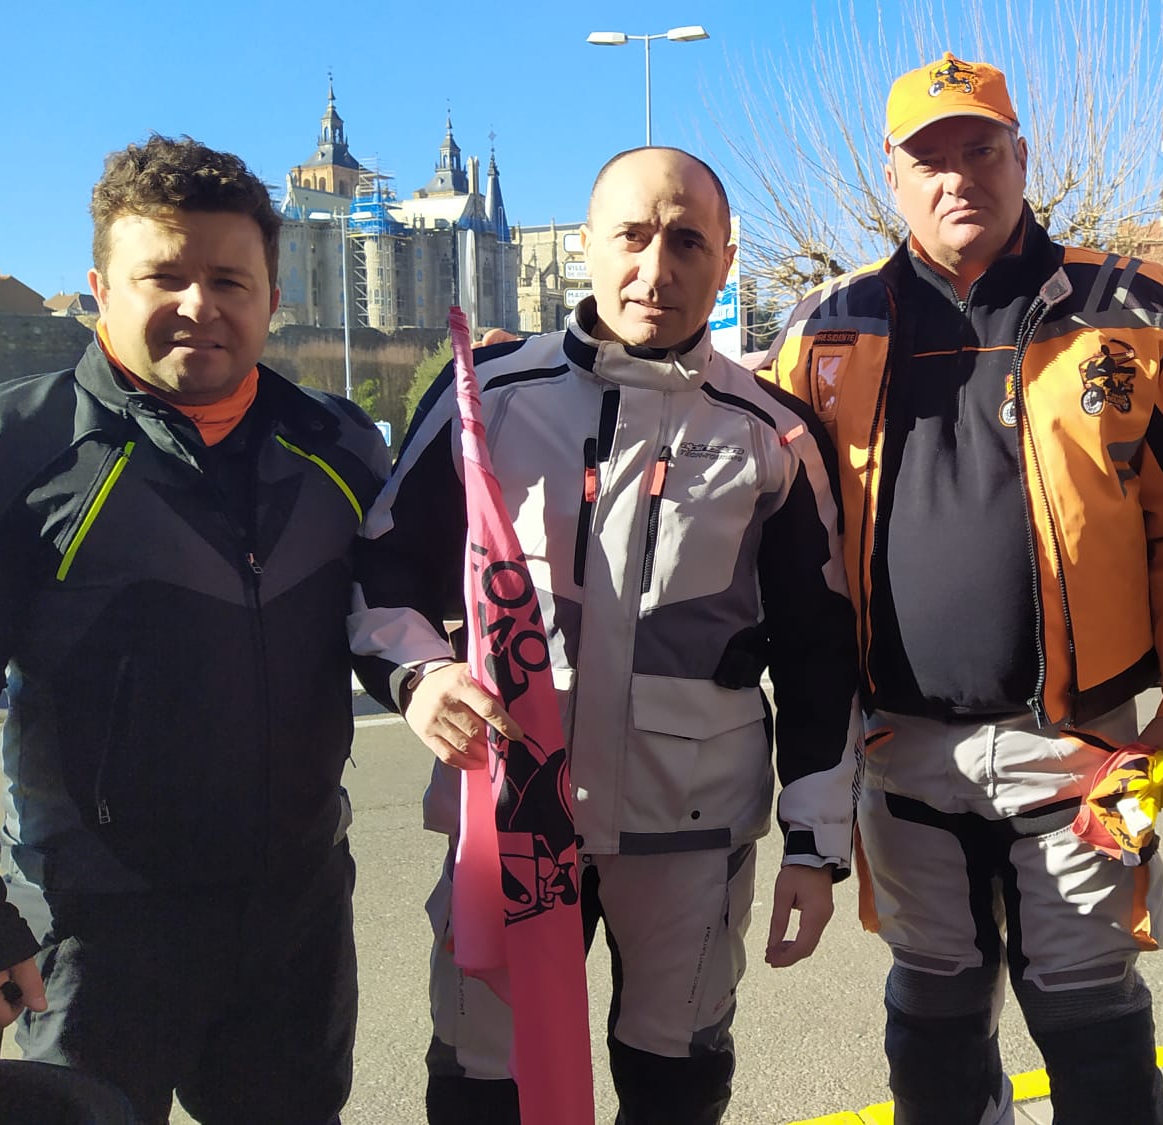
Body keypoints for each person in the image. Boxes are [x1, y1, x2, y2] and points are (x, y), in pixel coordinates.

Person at [757, 53, 1163, 1125]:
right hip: (901, 753)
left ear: (1021, 157)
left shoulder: (1133, 308)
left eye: (981, 150)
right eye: (929, 158)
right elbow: (784, 552)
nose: (956, 177)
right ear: (892, 175)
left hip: (1082, 748)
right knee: (931, 1032)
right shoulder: (821, 333)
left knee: (1093, 1030)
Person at [349, 146, 861, 1125]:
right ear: (584, 245)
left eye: (685, 242)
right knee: (481, 1082)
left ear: (721, 260)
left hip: (690, 829)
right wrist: (420, 680)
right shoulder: (486, 398)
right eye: (630, 235)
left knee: (673, 1082)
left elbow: (818, 646)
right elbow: (381, 572)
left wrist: (814, 843)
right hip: (511, 818)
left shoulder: (776, 433)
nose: (655, 268)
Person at [0, 135, 387, 1123]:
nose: (200, 304)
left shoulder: (340, 447)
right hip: (102, 930)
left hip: (298, 916)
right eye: (166, 276)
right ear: (101, 286)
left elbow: (398, 622)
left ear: (273, 297)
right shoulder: (4, 453)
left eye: (229, 279)